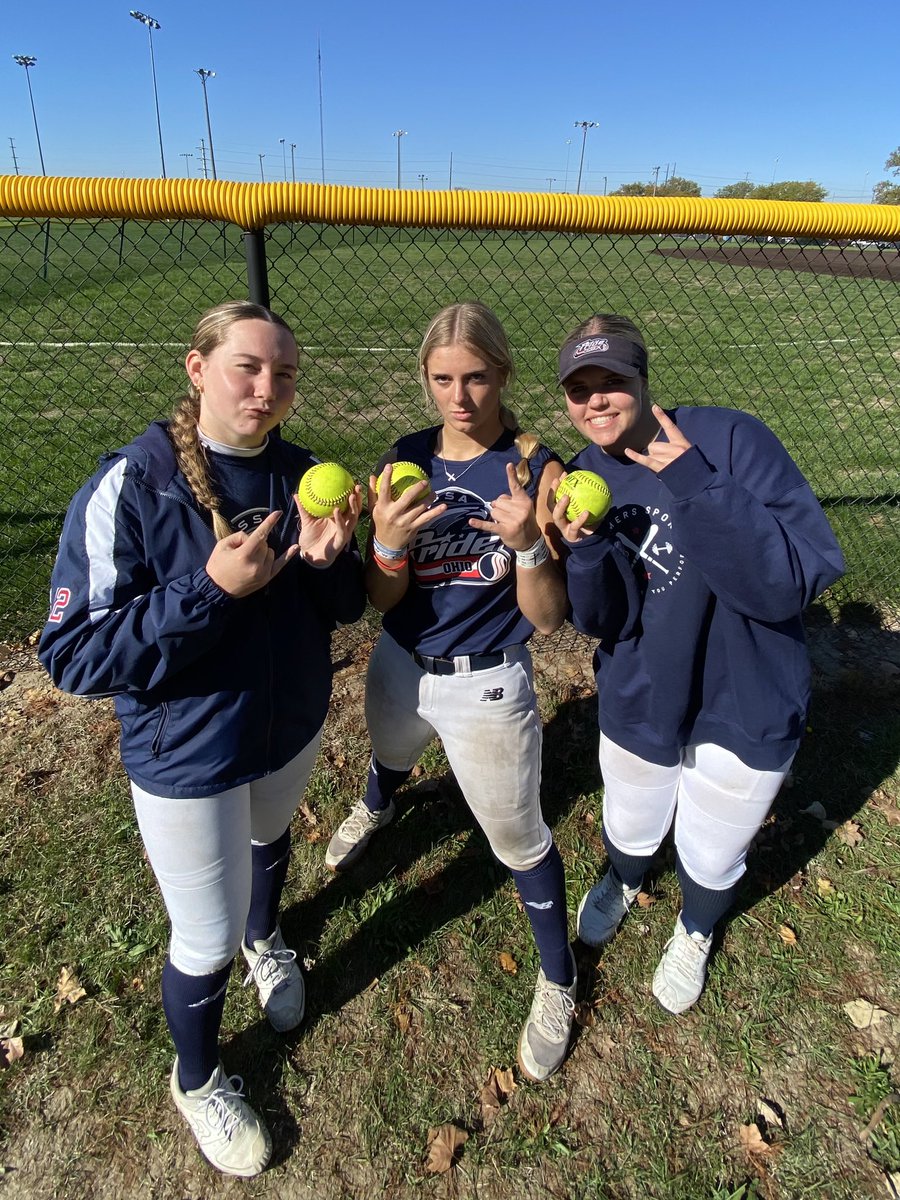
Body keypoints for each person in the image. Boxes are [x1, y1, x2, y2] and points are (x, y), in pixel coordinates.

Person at [39, 300, 365, 1177]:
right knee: (202, 937)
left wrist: (337, 568)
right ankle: (198, 1076)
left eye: (284, 374)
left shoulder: (304, 476)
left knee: (269, 841)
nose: (267, 388)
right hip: (187, 757)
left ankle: (271, 940)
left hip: (288, 727)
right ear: (197, 369)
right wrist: (211, 591)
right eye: (247, 368)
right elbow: (69, 654)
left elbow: (340, 613)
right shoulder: (135, 486)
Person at [553, 313, 845, 1014]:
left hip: (745, 694)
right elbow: (605, 620)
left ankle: (695, 924)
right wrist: (586, 549)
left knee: (712, 853)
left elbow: (786, 582)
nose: (595, 400)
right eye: (578, 387)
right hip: (644, 691)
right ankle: (623, 878)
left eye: (612, 381)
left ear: (644, 379)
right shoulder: (586, 475)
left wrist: (694, 481)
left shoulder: (728, 440)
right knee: (629, 820)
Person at [325, 301, 576, 1081]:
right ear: (426, 380)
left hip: (489, 683)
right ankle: (378, 801)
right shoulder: (405, 456)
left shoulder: (538, 468)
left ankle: (559, 978)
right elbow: (381, 596)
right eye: (442, 379)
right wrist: (390, 547)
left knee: (517, 839)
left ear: (502, 374)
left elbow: (550, 619)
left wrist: (529, 542)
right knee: (391, 749)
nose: (459, 397)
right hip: (402, 660)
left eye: (475, 378)